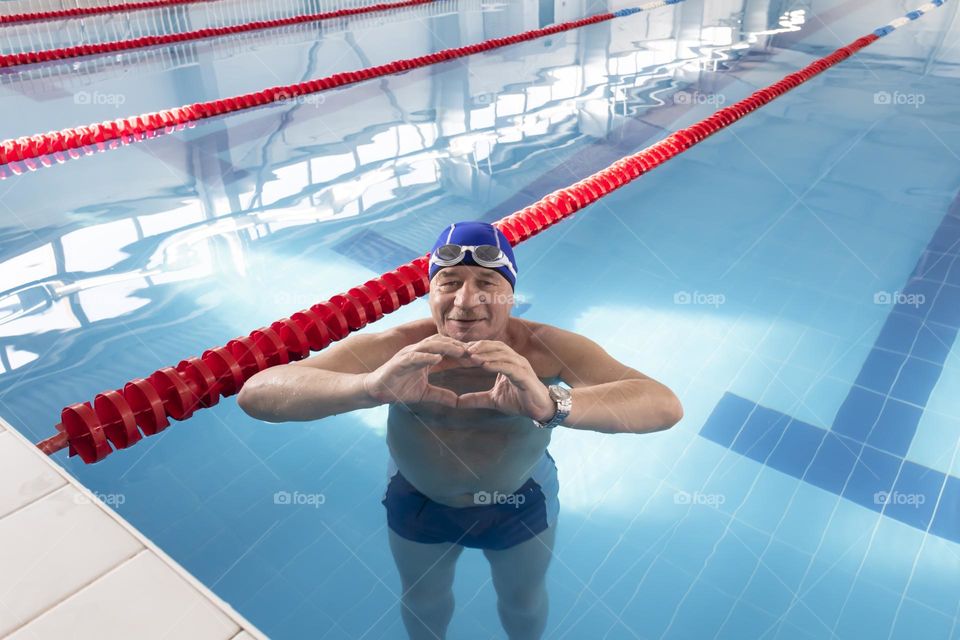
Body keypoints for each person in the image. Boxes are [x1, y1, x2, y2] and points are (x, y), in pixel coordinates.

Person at [238, 220, 683, 640]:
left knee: (523, 603)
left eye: (486, 284)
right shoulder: (397, 347)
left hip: (519, 501)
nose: (465, 302)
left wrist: (552, 404)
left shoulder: (546, 349)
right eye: (449, 283)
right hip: (419, 498)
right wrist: (369, 388)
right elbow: (257, 393)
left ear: (510, 293)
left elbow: (662, 404)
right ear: (430, 293)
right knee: (424, 600)